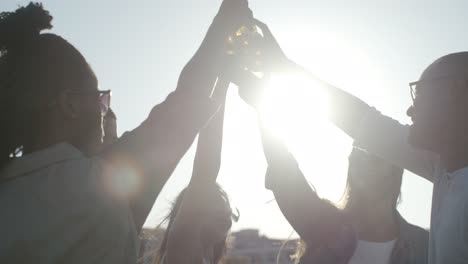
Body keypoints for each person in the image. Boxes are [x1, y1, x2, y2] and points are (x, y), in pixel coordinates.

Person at [0, 1, 251, 263]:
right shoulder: (98, 188)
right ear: (69, 104)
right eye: (100, 99)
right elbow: (188, 99)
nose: (105, 112)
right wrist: (228, 16)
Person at [242, 18, 468, 264]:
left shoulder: (420, 239)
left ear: (457, 90)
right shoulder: (444, 165)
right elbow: (364, 122)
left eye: (420, 92)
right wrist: (282, 67)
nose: (410, 110)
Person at [236, 76, 428, 263]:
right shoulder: (324, 226)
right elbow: (283, 168)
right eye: (359, 152)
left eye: (375, 155)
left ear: (397, 166)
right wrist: (263, 106)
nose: (365, 160)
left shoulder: (426, 245)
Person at [154, 77, 235, 264]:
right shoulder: (183, 248)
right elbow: (206, 168)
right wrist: (222, 83)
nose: (226, 212)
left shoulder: (205, 256)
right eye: (216, 203)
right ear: (192, 210)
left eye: (228, 210)